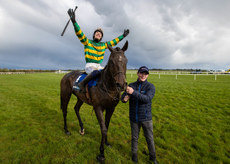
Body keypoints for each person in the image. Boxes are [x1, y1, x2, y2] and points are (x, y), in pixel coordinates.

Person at [67, 8, 129, 92]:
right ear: (94, 35)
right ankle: (80, 85)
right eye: (97, 33)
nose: (98, 34)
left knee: (107, 73)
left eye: (100, 34)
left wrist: (123, 36)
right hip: (90, 66)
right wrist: (74, 22)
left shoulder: (103, 45)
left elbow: (114, 41)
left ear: (101, 37)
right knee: (96, 72)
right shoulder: (87, 42)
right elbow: (79, 33)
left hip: (99, 66)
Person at [121, 66, 158, 164]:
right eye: (141, 73)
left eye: (145, 74)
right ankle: (134, 157)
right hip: (134, 118)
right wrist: (124, 98)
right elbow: (123, 97)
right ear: (138, 74)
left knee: (149, 139)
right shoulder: (131, 85)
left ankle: (153, 158)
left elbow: (147, 99)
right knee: (134, 138)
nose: (143, 75)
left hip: (146, 118)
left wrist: (133, 93)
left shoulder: (150, 87)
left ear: (148, 75)